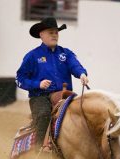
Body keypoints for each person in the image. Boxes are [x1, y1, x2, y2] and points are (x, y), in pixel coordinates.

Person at [16, 17, 89, 150]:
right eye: (51, 32)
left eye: (56, 32)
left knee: (83, 112)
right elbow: (19, 79)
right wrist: (38, 84)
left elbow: (75, 66)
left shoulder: (66, 53)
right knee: (44, 114)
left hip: (64, 95)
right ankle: (37, 150)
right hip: (40, 97)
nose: (54, 35)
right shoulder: (32, 56)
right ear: (41, 35)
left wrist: (82, 74)